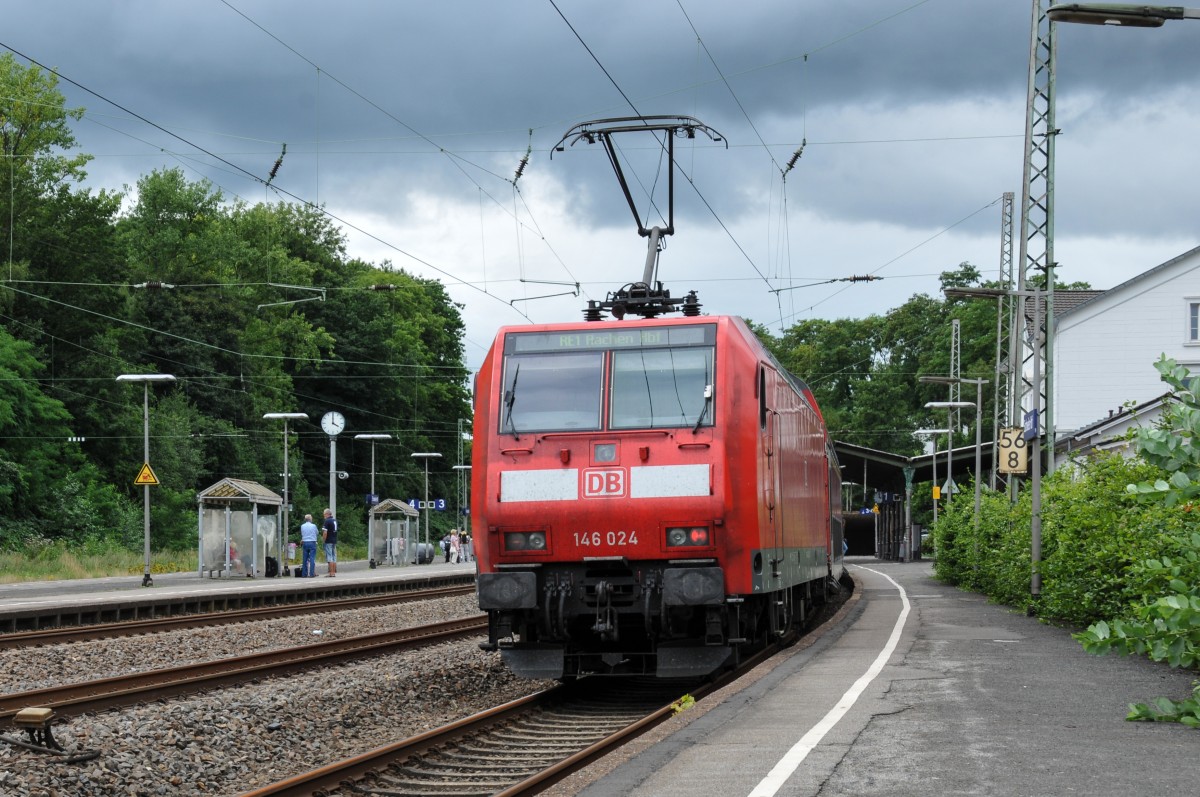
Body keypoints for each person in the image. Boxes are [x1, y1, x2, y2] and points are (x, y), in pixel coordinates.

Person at [299, 513, 319, 577]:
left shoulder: (302, 526)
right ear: (310, 519)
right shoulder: (314, 526)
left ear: (305, 519)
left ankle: (304, 574)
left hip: (305, 542)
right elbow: (317, 533)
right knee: (312, 558)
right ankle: (311, 574)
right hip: (312, 542)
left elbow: (302, 534)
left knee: (305, 559)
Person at [321, 507, 339, 577]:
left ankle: (331, 573)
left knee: (329, 556)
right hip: (334, 540)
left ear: (327, 514)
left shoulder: (327, 521)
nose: (324, 516)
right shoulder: (334, 520)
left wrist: (323, 540)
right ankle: (334, 572)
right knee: (334, 556)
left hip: (328, 540)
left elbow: (325, 532)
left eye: (324, 514)